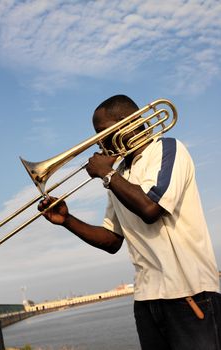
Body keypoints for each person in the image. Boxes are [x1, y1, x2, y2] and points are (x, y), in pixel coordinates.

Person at [38, 95, 221, 350]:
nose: (99, 142)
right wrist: (67, 220)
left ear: (127, 123)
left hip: (189, 293)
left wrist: (107, 174)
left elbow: (151, 208)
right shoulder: (120, 174)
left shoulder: (168, 149)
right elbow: (112, 240)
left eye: (102, 132)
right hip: (146, 299)